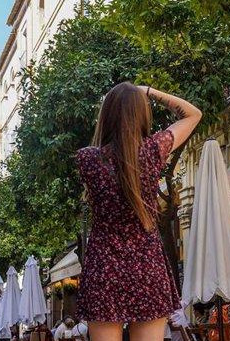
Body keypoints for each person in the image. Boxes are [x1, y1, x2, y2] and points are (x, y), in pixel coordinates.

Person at [74, 83, 201, 341]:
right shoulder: (154, 150)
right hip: (147, 263)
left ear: (106, 115)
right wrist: (151, 92)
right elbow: (193, 114)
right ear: (141, 114)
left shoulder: (87, 158)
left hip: (104, 266)